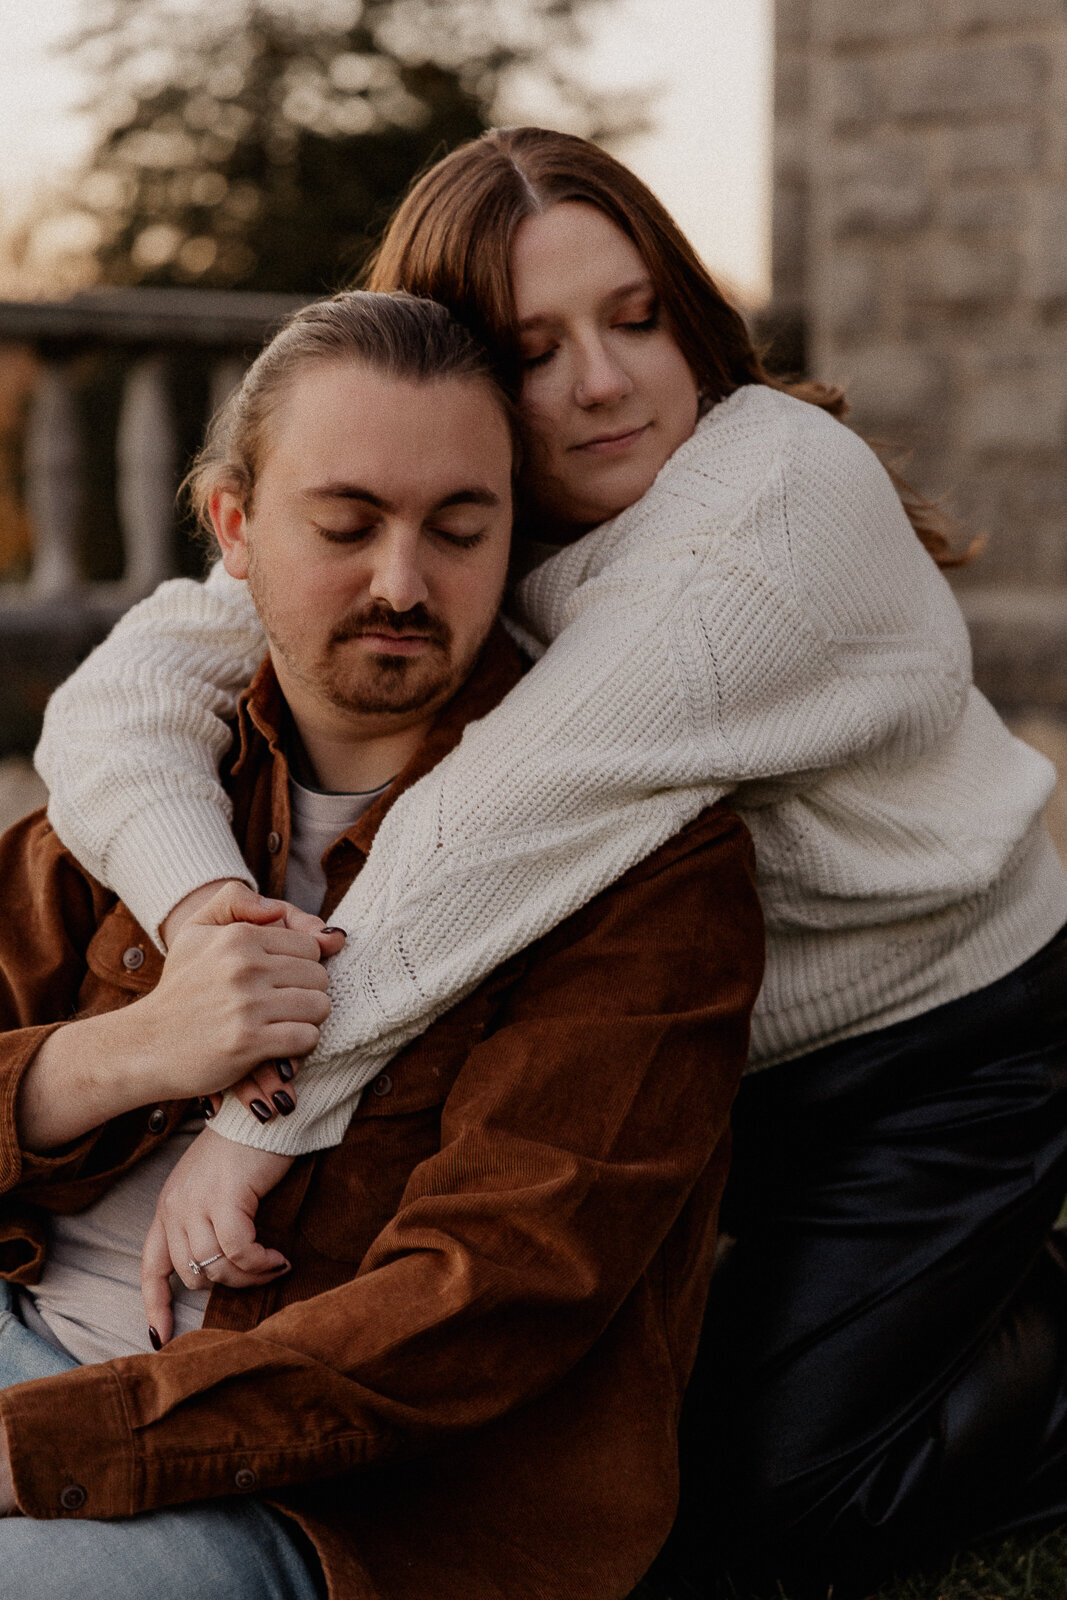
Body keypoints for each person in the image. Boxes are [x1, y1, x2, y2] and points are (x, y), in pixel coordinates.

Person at [34, 127, 1067, 1595]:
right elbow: (129, 696)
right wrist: (208, 920)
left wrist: (256, 1115)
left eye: (637, 317)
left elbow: (490, 823)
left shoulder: (763, 516)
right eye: (533, 347)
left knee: (768, 1510)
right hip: (708, 1036)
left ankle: (1040, 1339)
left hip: (928, 1041)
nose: (603, 381)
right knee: (623, 1389)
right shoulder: (465, 511)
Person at [0, 290, 763, 1600]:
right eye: (346, 526)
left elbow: (494, 1292)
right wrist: (126, 1054)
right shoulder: (151, 786)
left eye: (458, 530)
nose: (402, 584)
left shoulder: (646, 866)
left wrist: (43, 1450)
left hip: (326, 1509)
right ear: (234, 527)